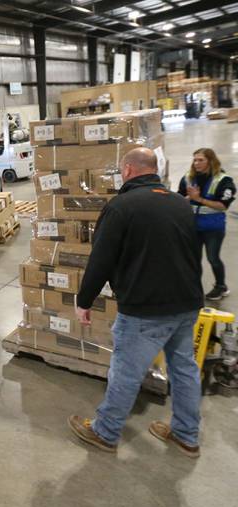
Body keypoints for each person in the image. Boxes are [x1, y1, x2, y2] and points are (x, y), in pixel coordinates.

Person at [69, 148, 204, 458]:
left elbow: (101, 259)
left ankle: (104, 432)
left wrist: (84, 300)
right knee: (183, 369)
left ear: (128, 170)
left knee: (126, 371)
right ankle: (186, 435)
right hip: (187, 303)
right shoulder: (180, 204)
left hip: (146, 308)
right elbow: (191, 254)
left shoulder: (121, 207)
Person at [177, 148, 236, 301]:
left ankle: (221, 286)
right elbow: (178, 200)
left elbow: (223, 206)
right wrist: (188, 198)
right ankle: (194, 288)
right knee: (193, 259)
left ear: (210, 161)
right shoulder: (188, 178)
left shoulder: (224, 180)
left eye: (200, 160)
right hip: (192, 227)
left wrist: (199, 199)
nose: (196, 163)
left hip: (213, 228)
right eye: (195, 160)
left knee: (213, 258)